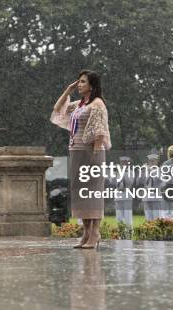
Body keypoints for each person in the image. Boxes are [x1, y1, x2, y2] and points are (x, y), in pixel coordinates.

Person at [51, 70, 111, 249]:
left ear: (92, 85)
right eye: (78, 81)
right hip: (76, 151)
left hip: (91, 152)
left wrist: (95, 156)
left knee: (92, 192)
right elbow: (57, 110)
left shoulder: (97, 104)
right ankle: (85, 232)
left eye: (83, 82)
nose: (79, 84)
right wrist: (68, 91)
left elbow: (99, 131)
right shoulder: (79, 104)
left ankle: (95, 233)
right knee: (80, 193)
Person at [140, 153, 162, 221]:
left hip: (156, 197)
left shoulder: (160, 170)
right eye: (150, 161)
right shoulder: (146, 171)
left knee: (156, 217)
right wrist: (142, 173)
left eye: (153, 161)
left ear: (157, 162)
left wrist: (151, 171)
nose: (151, 163)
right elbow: (140, 182)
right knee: (148, 218)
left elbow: (160, 179)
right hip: (147, 197)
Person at [114, 156, 135, 228]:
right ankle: (120, 233)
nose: (123, 164)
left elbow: (130, 182)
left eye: (125, 163)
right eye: (122, 162)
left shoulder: (131, 172)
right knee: (119, 217)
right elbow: (111, 182)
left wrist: (122, 172)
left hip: (127, 196)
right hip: (118, 196)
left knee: (128, 216)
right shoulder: (117, 172)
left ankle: (128, 234)